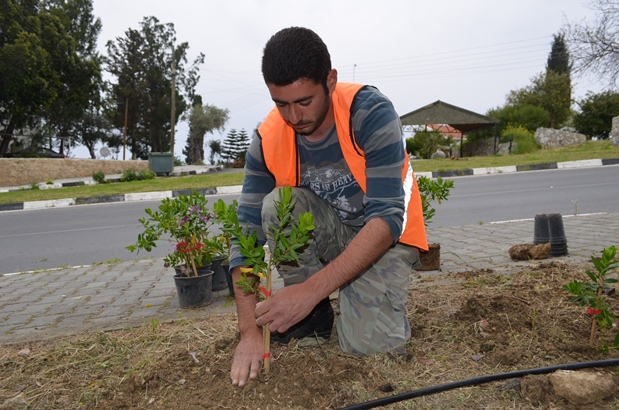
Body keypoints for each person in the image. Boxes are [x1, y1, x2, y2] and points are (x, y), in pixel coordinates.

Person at [228, 26, 428, 387]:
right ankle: (313, 319)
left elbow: (386, 219)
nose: (293, 116)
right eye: (281, 103)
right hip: (332, 232)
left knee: (367, 349)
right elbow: (245, 238)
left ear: (331, 81)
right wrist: (249, 333)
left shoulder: (369, 112)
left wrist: (309, 291)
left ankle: (316, 299)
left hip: (385, 241)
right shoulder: (267, 138)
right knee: (276, 206)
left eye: (304, 101)